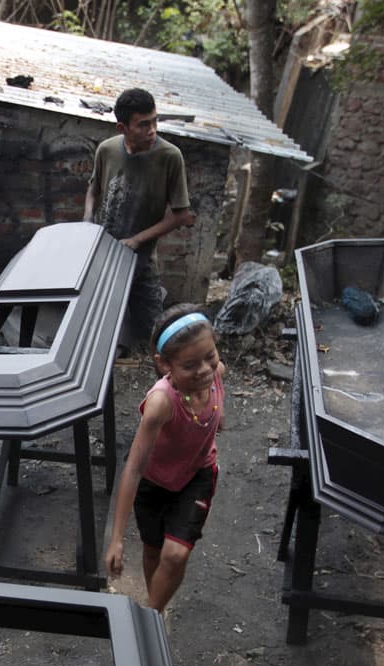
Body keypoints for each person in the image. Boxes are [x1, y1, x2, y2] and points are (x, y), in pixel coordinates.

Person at [103, 304, 225, 613]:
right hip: (154, 484)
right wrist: (117, 538)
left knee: (175, 555)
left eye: (210, 356)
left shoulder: (216, 373)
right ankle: (156, 608)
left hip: (197, 475)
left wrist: (214, 422)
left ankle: (151, 617)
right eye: (189, 365)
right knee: (153, 553)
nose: (205, 370)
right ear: (164, 365)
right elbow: (134, 468)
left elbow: (214, 404)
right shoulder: (161, 404)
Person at [83, 87, 195, 350]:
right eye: (143, 125)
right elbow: (93, 188)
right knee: (95, 323)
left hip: (141, 259)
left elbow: (181, 215)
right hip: (103, 254)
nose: (152, 130)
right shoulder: (107, 150)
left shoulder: (170, 157)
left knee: (156, 334)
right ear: (122, 127)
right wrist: (87, 220)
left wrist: (136, 240)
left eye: (155, 121)